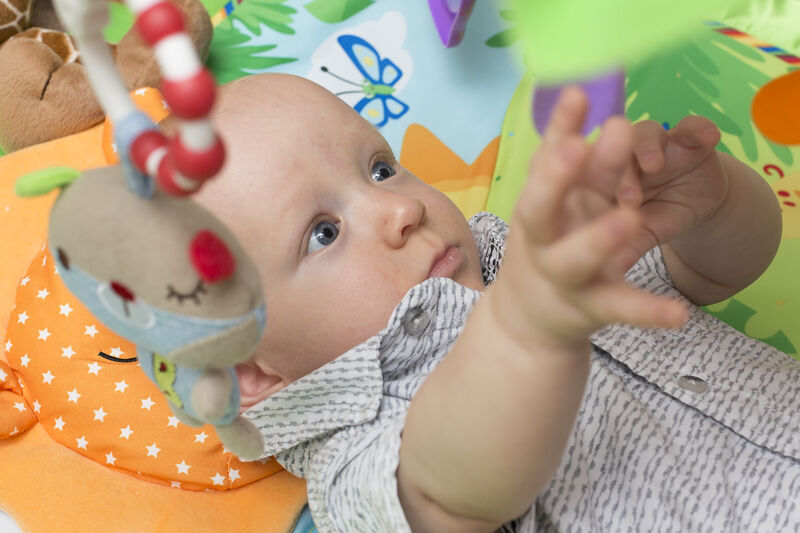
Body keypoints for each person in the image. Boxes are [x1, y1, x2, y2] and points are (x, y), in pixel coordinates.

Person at [194, 73, 799, 532]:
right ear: (252, 371)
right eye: (324, 233)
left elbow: (709, 273)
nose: (402, 209)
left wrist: (711, 203)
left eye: (379, 169)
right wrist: (526, 330)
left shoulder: (524, 250)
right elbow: (458, 487)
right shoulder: (356, 462)